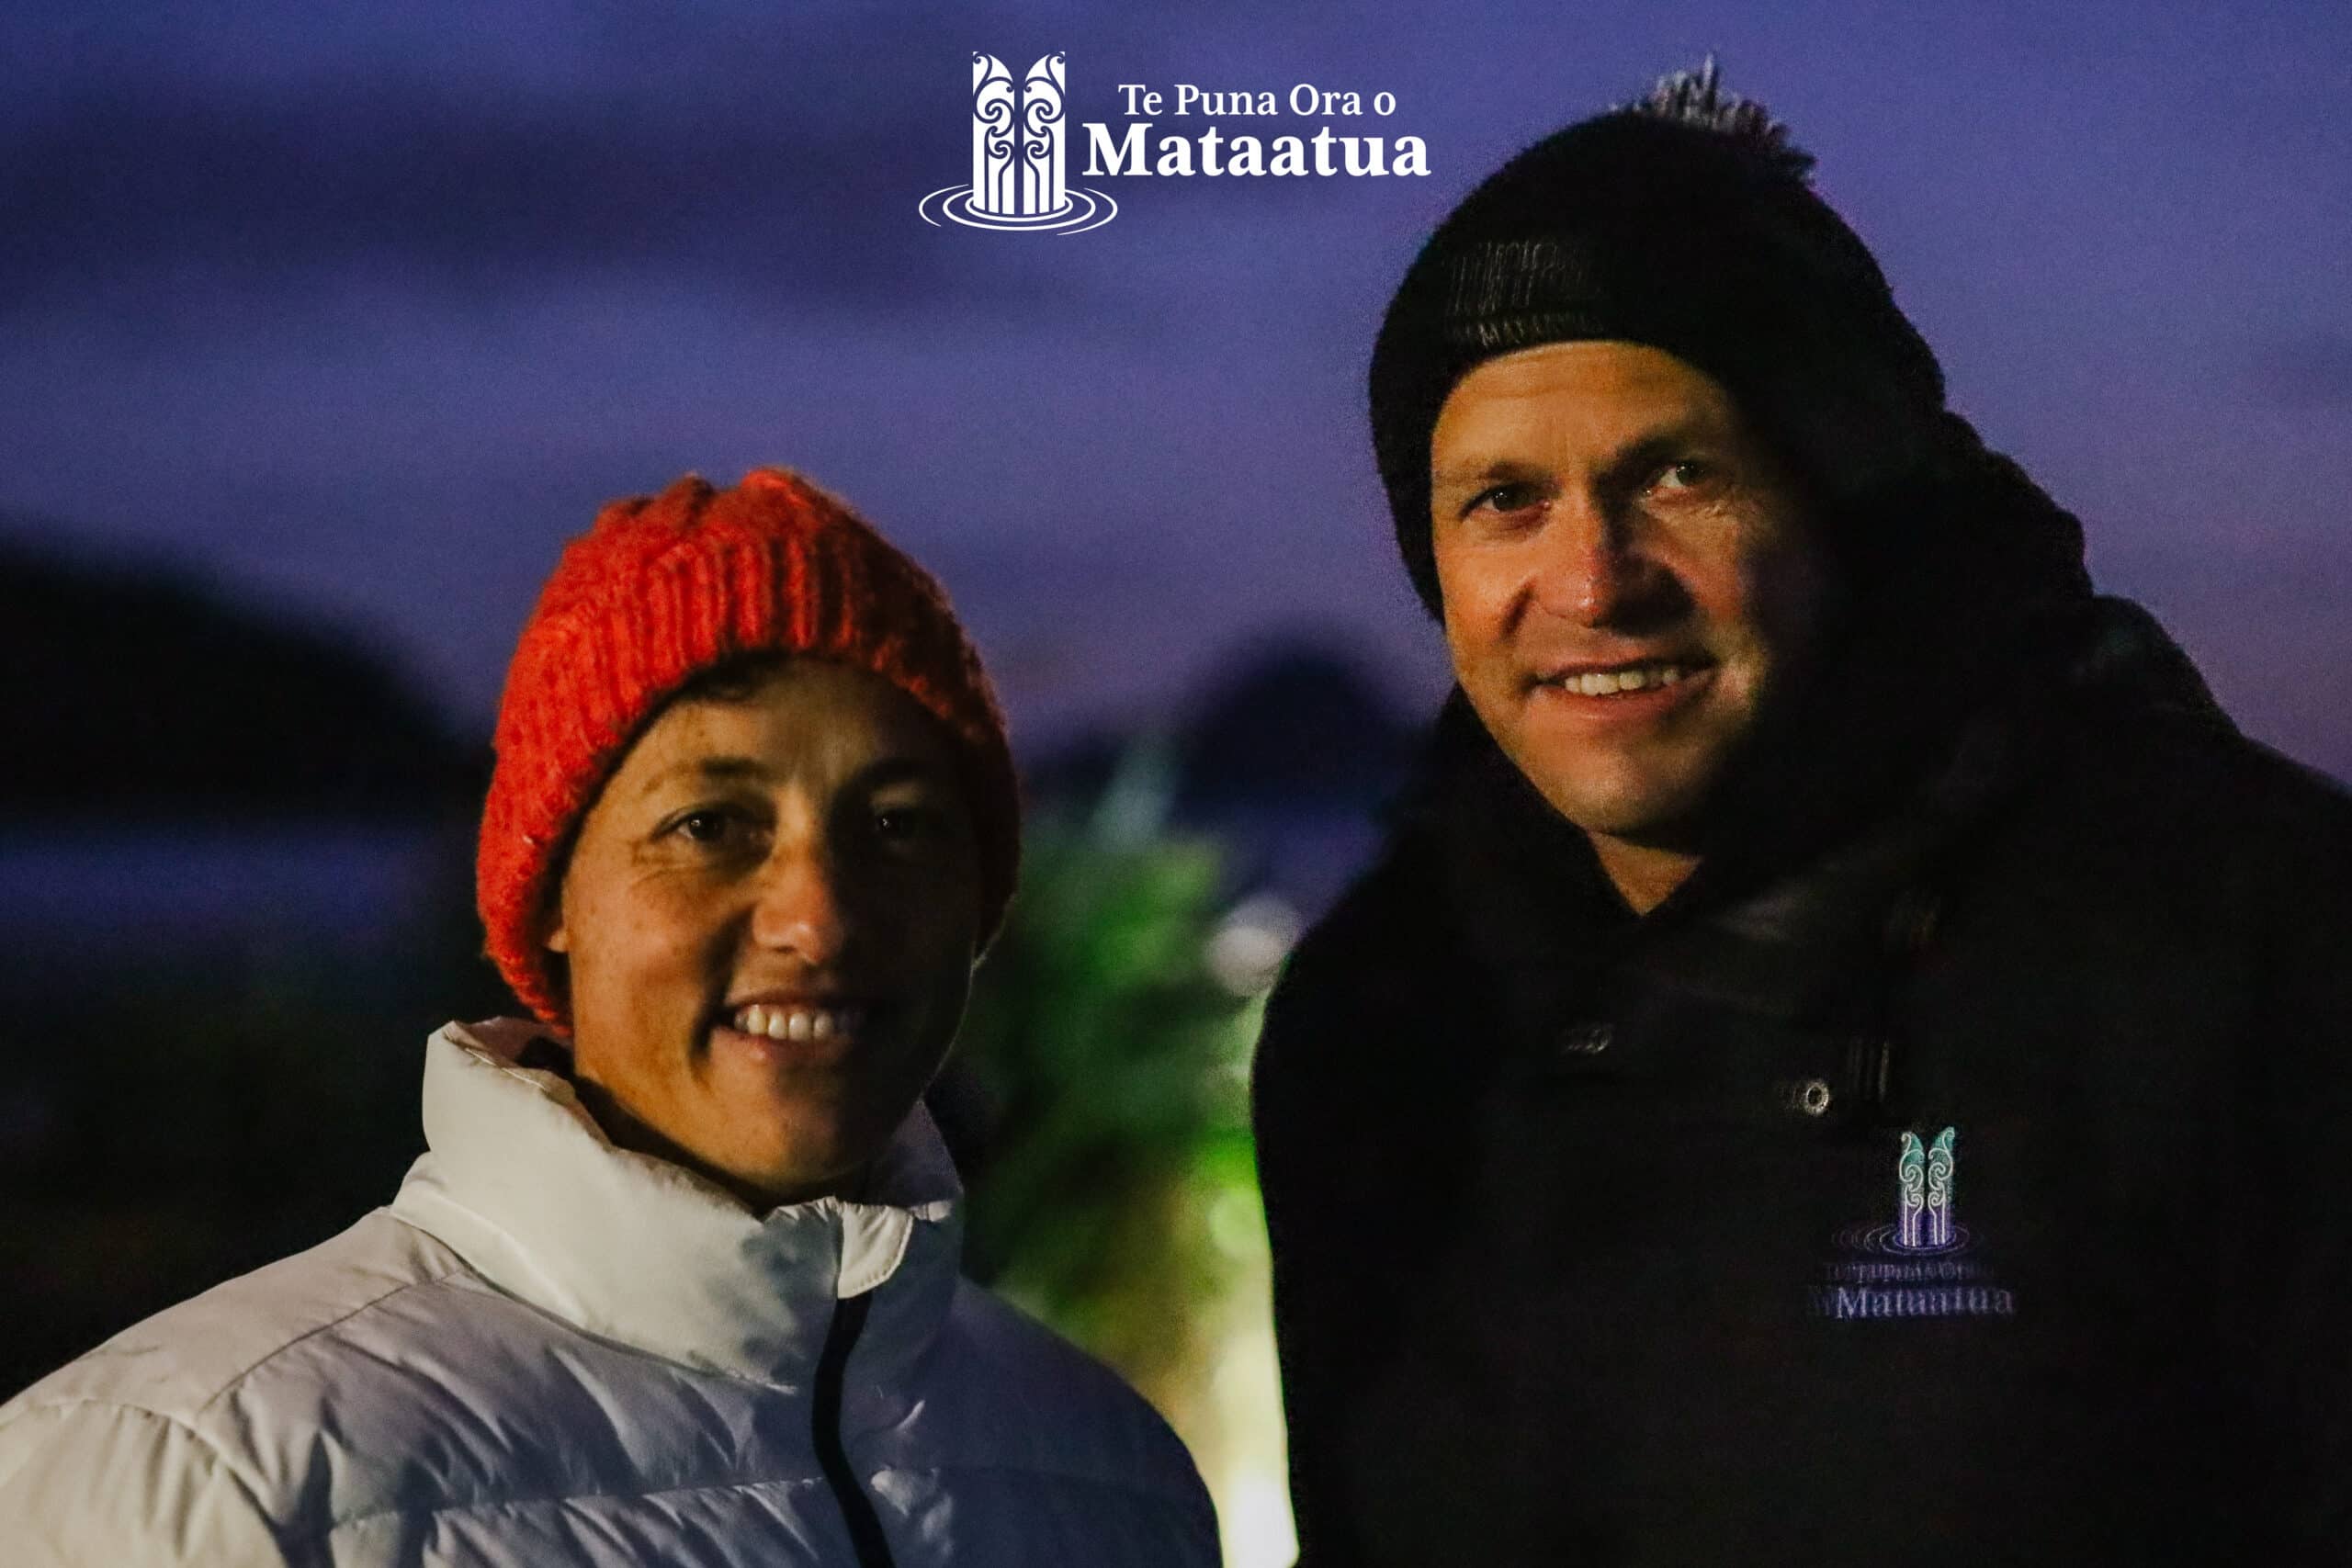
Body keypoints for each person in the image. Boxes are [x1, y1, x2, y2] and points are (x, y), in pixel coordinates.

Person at [1250, 61, 2352, 1566]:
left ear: (1845, 497)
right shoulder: (1384, 1027)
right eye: (1503, 499)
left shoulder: (2250, 946)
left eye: (1679, 474)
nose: (1590, 582)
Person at [0, 468, 1220, 1566]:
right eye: (711, 825)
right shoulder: (195, 1481)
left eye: (899, 825)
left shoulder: (1112, 1475)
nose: (821, 915)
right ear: (556, 900)